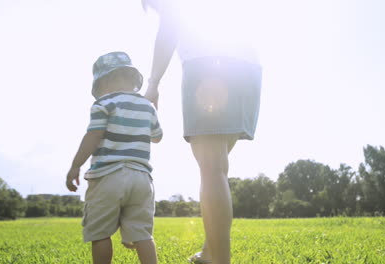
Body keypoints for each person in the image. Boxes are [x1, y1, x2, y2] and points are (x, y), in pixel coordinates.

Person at [142, 1, 262, 263]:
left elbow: (170, 27)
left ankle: (219, 260)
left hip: (209, 66)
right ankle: (209, 252)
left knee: (212, 167)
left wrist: (153, 83)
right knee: (218, 167)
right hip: (248, 68)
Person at [65, 51, 163, 264]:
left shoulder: (104, 103)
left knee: (100, 233)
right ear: (131, 79)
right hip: (142, 178)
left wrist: (75, 166)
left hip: (107, 175)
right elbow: (157, 137)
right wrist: (153, 110)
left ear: (104, 81)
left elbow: (94, 135)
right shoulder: (147, 105)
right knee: (142, 234)